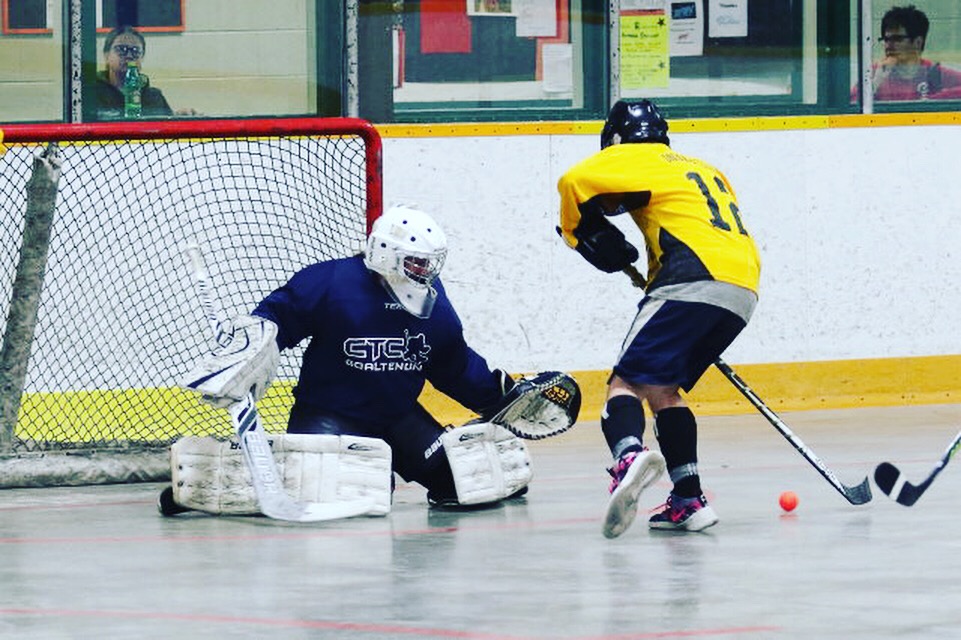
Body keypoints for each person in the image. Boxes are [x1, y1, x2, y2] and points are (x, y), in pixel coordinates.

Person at [169, 205, 557, 514]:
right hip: (329, 416)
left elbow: (453, 366)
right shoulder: (331, 283)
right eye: (417, 263)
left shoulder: (430, 300)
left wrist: (501, 395)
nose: (426, 273)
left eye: (429, 263)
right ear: (386, 253)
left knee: (461, 485)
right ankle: (228, 479)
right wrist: (245, 350)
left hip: (399, 418)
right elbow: (273, 325)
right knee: (359, 495)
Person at [556, 99, 761, 537]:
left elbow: (572, 182)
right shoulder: (700, 167)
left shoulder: (633, 155)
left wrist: (582, 234)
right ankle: (689, 498)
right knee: (664, 389)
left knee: (625, 383)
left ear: (616, 138)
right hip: (740, 288)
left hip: (689, 279)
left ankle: (628, 455)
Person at [852, 5, 961, 102]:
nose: (889, 45)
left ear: (918, 42)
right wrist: (875, 83)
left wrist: (931, 100)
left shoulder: (936, 74)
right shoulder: (875, 73)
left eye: (897, 39)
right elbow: (851, 106)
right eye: (886, 39)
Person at [95, 26, 196, 119]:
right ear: (106, 55)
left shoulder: (154, 97)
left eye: (135, 51)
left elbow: (166, 130)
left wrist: (179, 117)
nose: (129, 56)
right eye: (121, 49)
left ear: (142, 58)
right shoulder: (90, 94)